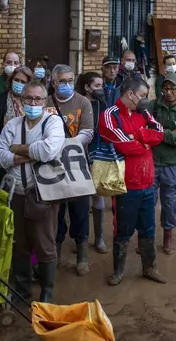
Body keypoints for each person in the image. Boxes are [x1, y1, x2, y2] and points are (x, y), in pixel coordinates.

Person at [0, 82, 65, 303]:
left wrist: (15, 149)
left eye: (38, 99)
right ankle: (23, 290)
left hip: (43, 194)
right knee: (19, 245)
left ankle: (46, 294)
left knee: (45, 245)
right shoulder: (13, 124)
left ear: (45, 102)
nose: (33, 103)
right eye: (29, 99)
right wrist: (30, 153)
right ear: (22, 100)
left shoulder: (53, 122)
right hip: (16, 193)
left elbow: (48, 150)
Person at [99, 76, 166, 286]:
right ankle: (118, 272)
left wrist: (136, 135)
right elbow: (123, 145)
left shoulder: (143, 112)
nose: (146, 100)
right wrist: (144, 142)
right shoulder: (110, 115)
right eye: (143, 95)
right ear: (130, 94)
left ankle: (150, 268)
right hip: (125, 184)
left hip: (148, 182)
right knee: (123, 230)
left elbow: (160, 133)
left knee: (148, 228)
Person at [45, 65, 94, 277]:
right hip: (50, 165)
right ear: (54, 83)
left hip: (77, 165)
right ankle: (54, 253)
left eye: (69, 80)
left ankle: (81, 255)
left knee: (80, 210)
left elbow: (88, 131)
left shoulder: (82, 102)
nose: (66, 84)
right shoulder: (46, 103)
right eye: (62, 81)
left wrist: (66, 144)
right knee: (55, 211)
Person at [149, 73, 176, 255]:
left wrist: (159, 134)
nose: (169, 93)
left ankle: (168, 236)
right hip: (151, 161)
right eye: (166, 88)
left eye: (173, 89)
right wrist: (170, 134)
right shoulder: (152, 107)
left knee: (169, 202)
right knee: (147, 202)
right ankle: (147, 237)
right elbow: (145, 133)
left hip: (172, 164)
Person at [76, 72, 108, 254]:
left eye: (101, 85)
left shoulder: (102, 105)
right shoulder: (79, 104)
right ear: (87, 87)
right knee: (79, 199)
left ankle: (99, 237)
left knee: (98, 196)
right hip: (78, 156)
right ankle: (81, 238)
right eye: (97, 86)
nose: (100, 89)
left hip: (97, 156)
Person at [0, 66, 34, 141]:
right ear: (11, 80)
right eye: (16, 80)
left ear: (28, 84)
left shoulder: (32, 101)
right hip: (5, 146)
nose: (19, 83)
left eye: (23, 82)